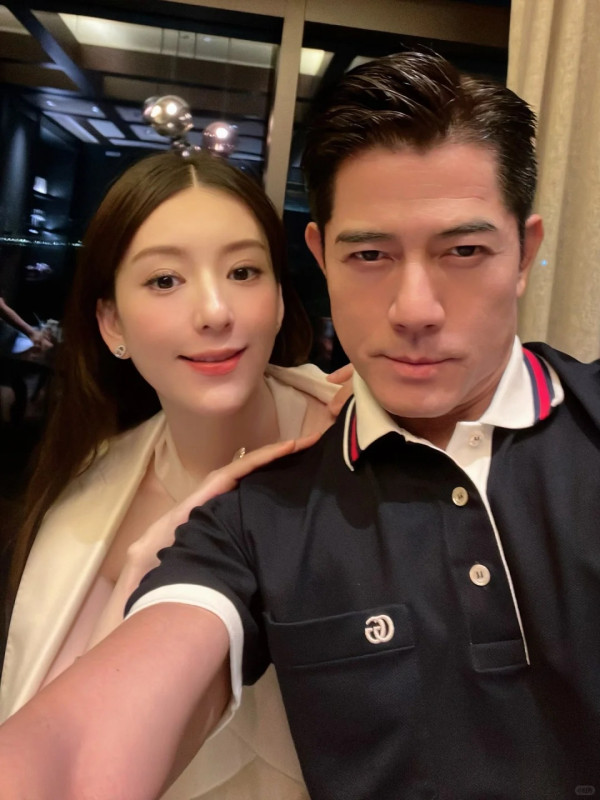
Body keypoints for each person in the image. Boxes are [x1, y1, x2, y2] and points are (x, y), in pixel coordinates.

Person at [1, 49, 599, 800]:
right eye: (371, 254)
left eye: (464, 250)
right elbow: (80, 745)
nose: (415, 309)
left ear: (525, 253)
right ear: (321, 258)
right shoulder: (259, 506)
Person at [0, 150, 343, 799]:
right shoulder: (92, 487)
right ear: (111, 323)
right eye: (164, 280)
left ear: (278, 298)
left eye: (243, 271)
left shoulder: (355, 450)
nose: (214, 311)